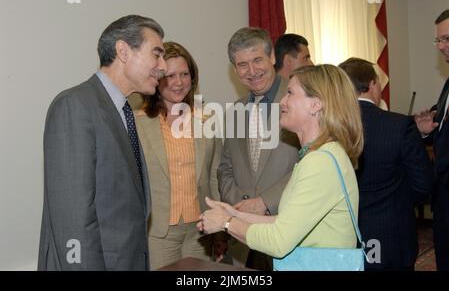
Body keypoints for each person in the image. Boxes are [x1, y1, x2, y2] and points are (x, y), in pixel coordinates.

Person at [200, 64, 363, 268]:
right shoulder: (321, 155)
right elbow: (284, 222)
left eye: (290, 93)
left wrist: (225, 223)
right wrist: (235, 214)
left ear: (315, 105)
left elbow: (279, 241)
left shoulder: (319, 162)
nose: (282, 102)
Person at [38, 15, 167, 270]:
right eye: (157, 54)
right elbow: (73, 222)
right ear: (123, 51)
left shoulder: (124, 111)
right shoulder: (75, 106)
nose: (163, 65)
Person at [339, 57, 434, 271]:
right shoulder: (400, 125)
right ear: (373, 85)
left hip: (343, 231)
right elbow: (423, 185)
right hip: (391, 231)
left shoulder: (331, 126)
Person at [217, 27, 300, 269]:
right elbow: (225, 168)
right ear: (235, 70)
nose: (252, 71)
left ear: (272, 57)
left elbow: (311, 164)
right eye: (242, 64)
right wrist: (243, 205)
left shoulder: (300, 98)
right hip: (244, 238)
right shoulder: (235, 111)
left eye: (257, 60)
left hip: (289, 229)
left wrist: (265, 201)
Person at [135, 41, 222, 270]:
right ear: (157, 77)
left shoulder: (207, 120)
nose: (179, 82)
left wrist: (220, 228)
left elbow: (214, 176)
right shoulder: (137, 123)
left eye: (185, 74)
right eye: (170, 75)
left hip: (200, 232)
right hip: (157, 234)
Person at [415, 9, 449, 271]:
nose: (441, 46)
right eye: (438, 40)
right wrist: (428, 130)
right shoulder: (448, 83)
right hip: (444, 195)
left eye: (447, 38)